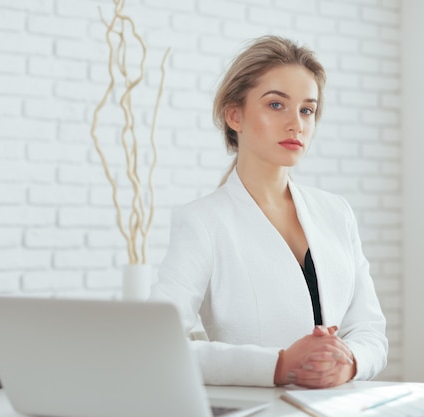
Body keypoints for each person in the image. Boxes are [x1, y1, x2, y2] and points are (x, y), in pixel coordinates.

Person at [150, 35, 388, 388]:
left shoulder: (336, 212)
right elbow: (159, 347)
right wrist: (279, 365)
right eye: (276, 105)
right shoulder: (203, 222)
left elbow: (370, 331)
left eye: (307, 109)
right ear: (235, 115)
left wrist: (350, 361)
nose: (297, 124)